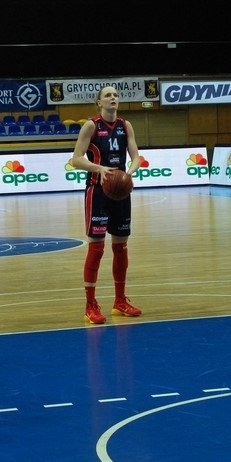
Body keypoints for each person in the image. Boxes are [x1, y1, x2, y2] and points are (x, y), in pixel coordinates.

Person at [71, 86, 142, 324]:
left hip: (120, 192)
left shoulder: (125, 125)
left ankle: (120, 301)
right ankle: (90, 305)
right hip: (98, 192)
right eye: (108, 96)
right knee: (97, 248)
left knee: (121, 247)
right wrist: (99, 169)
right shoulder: (91, 126)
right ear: (98, 102)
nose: (113, 98)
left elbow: (136, 157)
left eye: (116, 95)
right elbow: (76, 159)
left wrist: (128, 174)